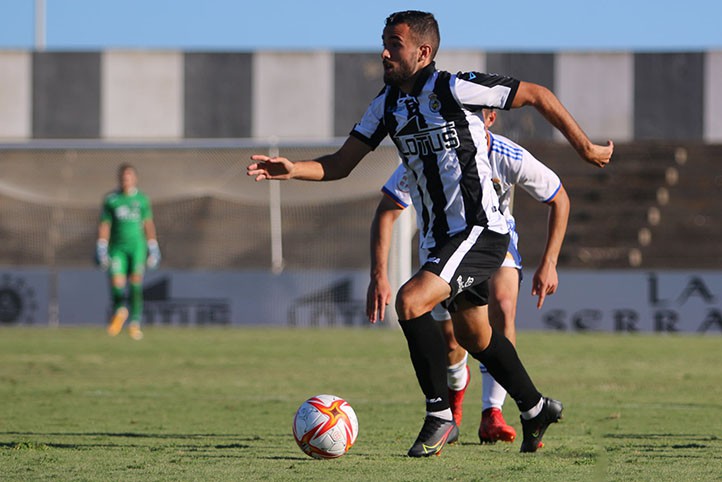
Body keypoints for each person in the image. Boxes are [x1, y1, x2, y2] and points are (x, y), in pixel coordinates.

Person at [247, 10, 612, 456]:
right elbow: (341, 165)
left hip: (481, 230)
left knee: (410, 300)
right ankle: (535, 408)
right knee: (476, 337)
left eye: (394, 44)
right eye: (384, 42)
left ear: (423, 52)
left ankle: (440, 415)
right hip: (442, 241)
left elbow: (536, 94)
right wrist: (292, 170)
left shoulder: (455, 88)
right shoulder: (386, 105)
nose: (384, 52)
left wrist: (586, 147)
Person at [367, 108, 570, 447]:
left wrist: (549, 262)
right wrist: (379, 273)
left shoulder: (505, 155)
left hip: (491, 243)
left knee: (500, 306)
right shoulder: (429, 152)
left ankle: (478, 412)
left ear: (489, 120)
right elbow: (387, 208)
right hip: (441, 252)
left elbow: (558, 197)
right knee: (460, 339)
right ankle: (532, 407)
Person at [95, 163, 161, 341]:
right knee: (116, 281)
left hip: (137, 247)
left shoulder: (142, 200)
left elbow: (148, 224)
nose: (126, 180)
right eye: (123, 177)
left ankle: (135, 323)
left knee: (135, 283)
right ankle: (120, 311)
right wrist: (101, 246)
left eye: (129, 177)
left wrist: (153, 247)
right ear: (119, 179)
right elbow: (105, 225)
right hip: (117, 247)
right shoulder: (111, 200)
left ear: (135, 179)